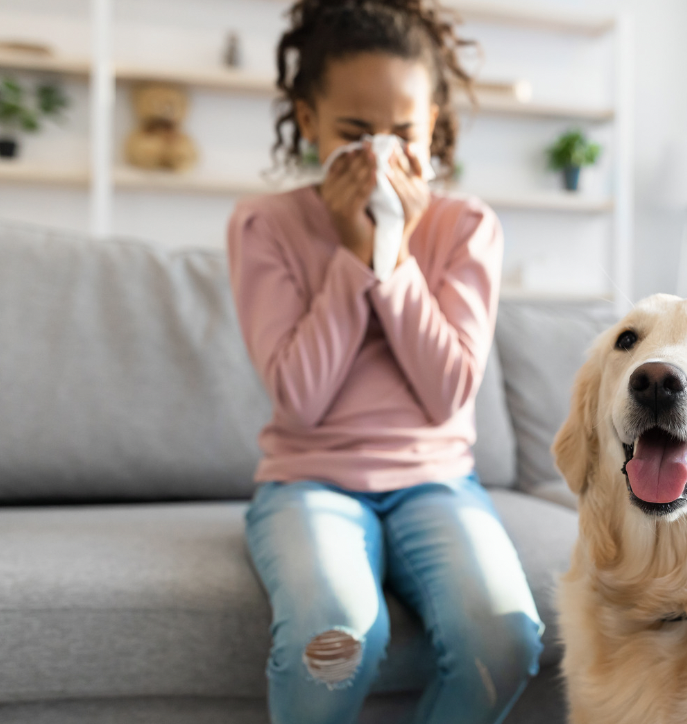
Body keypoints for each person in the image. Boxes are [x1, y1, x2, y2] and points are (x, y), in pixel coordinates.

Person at [225, 1, 543, 722]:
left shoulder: (466, 228)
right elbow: (299, 399)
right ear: (308, 122)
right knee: (333, 638)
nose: (379, 156)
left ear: (434, 127)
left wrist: (392, 260)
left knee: (504, 636)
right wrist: (348, 254)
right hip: (311, 481)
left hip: (436, 482)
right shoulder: (264, 225)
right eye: (353, 132)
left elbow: (448, 392)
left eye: (403, 134)